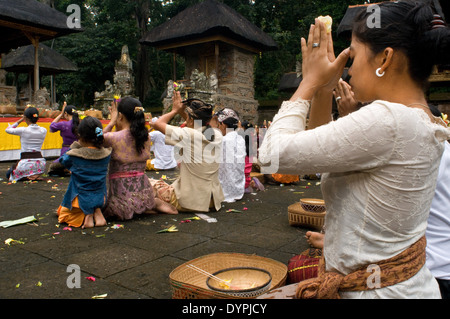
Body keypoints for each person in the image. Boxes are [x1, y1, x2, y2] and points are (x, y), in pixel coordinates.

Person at [258, 1, 450, 299]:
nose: (348, 69)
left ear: (384, 59)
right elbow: (320, 151)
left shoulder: (389, 120)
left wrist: (308, 81)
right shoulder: (420, 118)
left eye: (354, 54)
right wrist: (324, 87)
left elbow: (271, 155)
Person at [102, 97, 177, 220]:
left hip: (122, 197)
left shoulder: (113, 137)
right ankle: (150, 204)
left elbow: (95, 140)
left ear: (120, 116)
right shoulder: (145, 136)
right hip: (144, 193)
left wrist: (111, 122)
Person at [153, 91, 224, 212]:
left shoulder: (189, 135)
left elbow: (156, 123)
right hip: (211, 201)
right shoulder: (217, 134)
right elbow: (195, 124)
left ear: (191, 120)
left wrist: (174, 110)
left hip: (189, 202)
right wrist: (183, 112)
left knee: (148, 184)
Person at [56, 116, 111, 228]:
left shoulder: (75, 155)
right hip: (101, 198)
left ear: (80, 136)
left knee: (62, 214)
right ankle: (97, 212)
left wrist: (76, 145)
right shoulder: (106, 154)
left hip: (80, 199)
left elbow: (62, 160)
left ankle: (87, 215)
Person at [212, 108, 246, 203]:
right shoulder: (240, 139)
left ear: (223, 124)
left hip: (225, 191)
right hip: (238, 189)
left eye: (219, 125)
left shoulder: (223, 140)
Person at [5, 107, 47, 182]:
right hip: (40, 165)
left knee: (8, 173)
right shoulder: (43, 130)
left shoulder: (23, 130)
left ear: (26, 118)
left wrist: (20, 120)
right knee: (27, 167)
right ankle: (33, 174)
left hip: (26, 164)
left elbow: (8, 129)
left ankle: (27, 175)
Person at [48, 102, 80, 176]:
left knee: (52, 166)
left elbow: (52, 126)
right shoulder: (81, 124)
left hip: (66, 153)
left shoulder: (64, 124)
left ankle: (67, 168)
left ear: (66, 113)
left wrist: (61, 114)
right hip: (79, 153)